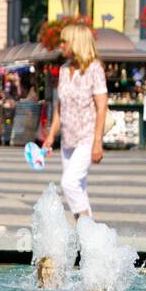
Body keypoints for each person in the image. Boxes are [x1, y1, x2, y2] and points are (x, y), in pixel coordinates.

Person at [41, 23, 108, 220]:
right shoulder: (63, 70)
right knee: (79, 187)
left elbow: (101, 107)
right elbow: (60, 107)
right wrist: (51, 135)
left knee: (69, 183)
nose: (61, 45)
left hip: (87, 137)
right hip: (68, 139)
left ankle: (86, 220)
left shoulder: (94, 69)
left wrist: (97, 142)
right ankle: (87, 236)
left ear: (76, 43)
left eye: (64, 41)